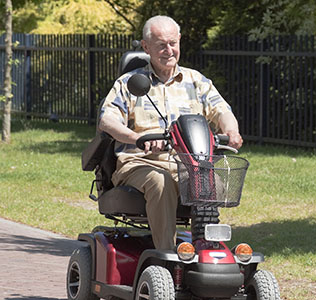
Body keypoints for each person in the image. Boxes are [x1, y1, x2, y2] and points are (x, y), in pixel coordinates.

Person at [98, 15, 243, 250]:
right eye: (161, 45)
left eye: (173, 43)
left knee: (210, 180)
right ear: (146, 47)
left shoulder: (196, 81)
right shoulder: (130, 83)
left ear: (179, 41)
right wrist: (137, 138)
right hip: (140, 162)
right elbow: (107, 120)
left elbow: (221, 110)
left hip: (188, 162)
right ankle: (166, 256)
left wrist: (232, 131)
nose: (169, 50)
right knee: (160, 182)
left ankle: (206, 248)